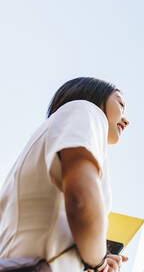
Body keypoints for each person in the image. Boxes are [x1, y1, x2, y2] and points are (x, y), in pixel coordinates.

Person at [0, 77, 130, 271]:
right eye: (120, 103)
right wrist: (98, 262)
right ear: (94, 94)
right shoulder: (87, 110)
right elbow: (82, 200)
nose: (126, 120)